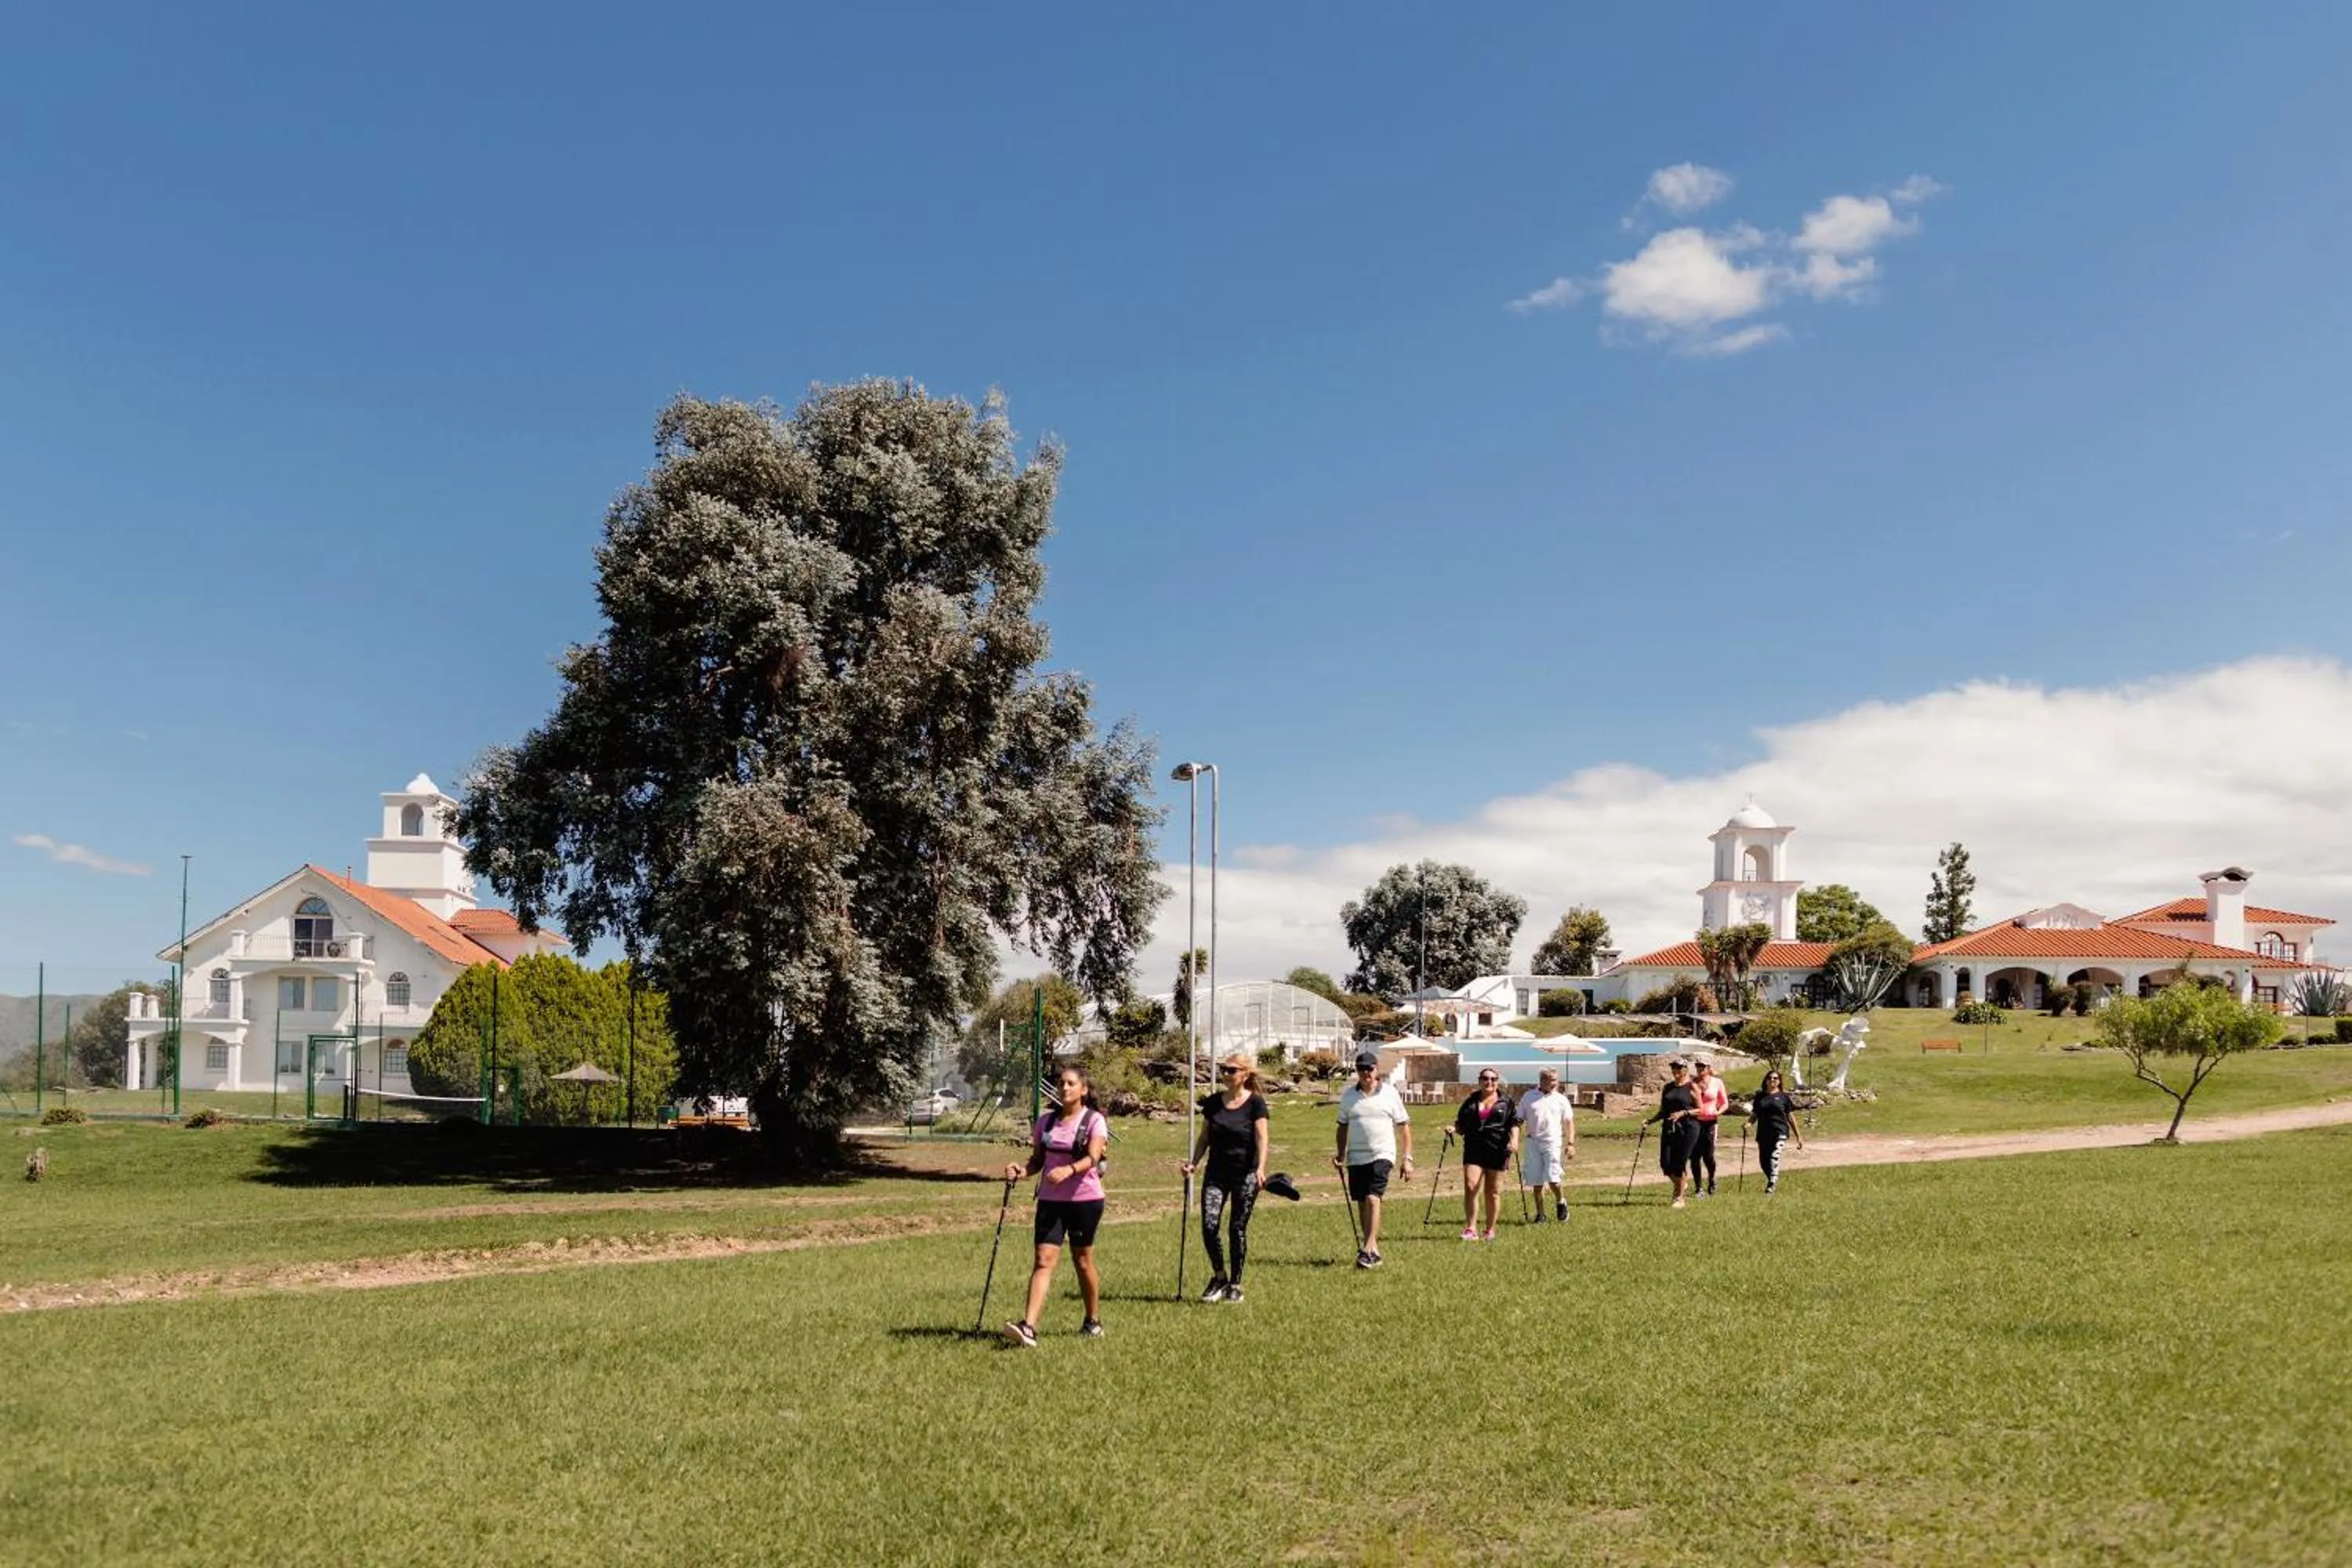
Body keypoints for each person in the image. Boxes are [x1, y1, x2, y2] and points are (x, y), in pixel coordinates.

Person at [1001, 1065, 1109, 1347]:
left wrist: (1069, 1171)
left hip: (1085, 1200)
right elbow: (1037, 1161)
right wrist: (1021, 1171)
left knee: (1082, 1262)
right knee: (1043, 1260)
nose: (1064, 1088)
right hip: (1050, 1200)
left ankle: (1092, 1321)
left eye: (1071, 1083)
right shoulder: (1045, 1123)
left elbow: (1093, 1158)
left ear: (1083, 1090)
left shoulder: (1094, 1121)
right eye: (1061, 1083)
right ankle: (1029, 1328)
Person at [1180, 1053, 1270, 1303]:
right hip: (1216, 1173)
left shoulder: (1256, 1104)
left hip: (1245, 1174)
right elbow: (1204, 1138)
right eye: (1223, 1069)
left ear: (1244, 1074)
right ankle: (1219, 1277)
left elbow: (1262, 1138)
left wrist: (1261, 1168)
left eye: (1231, 1070)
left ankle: (1235, 1284)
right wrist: (1193, 1163)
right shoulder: (1212, 1103)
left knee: (1237, 1228)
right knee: (1209, 1226)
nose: (1226, 1073)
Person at [1334, 1049, 1413, 1268]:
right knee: (1361, 1201)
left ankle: (1367, 1248)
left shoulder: (1389, 1093)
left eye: (1369, 1068)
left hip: (1383, 1153)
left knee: (1372, 1198)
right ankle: (1373, 1249)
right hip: (1356, 1156)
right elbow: (1342, 1127)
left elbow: (1404, 1127)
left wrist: (1408, 1158)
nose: (1365, 1073)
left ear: (1377, 1070)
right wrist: (1340, 1154)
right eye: (1361, 1069)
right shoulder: (1349, 1096)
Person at [1452, 1069, 1519, 1240]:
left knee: (1493, 1192)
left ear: (1498, 1081)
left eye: (1493, 1079)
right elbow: (1461, 1125)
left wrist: (1515, 1140)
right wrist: (1454, 1129)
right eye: (1485, 1079)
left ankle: (1490, 1229)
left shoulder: (1506, 1102)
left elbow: (1514, 1123)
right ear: (1480, 1081)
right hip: (1474, 1149)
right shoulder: (1471, 1102)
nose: (1489, 1082)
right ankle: (1471, 1228)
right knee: (1471, 1186)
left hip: (1497, 1149)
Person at [1515, 1068, 1576, 1221]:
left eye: (1556, 1080)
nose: (1555, 1083)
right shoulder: (1529, 1097)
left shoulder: (1561, 1099)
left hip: (1553, 1142)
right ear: (1542, 1081)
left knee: (1553, 1179)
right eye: (1551, 1080)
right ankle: (1541, 1215)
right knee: (1536, 1183)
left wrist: (1570, 1143)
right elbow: (1519, 1119)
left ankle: (1561, 1202)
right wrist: (1514, 1139)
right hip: (1533, 1142)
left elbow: (1569, 1122)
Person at [1646, 1058, 1701, 1210]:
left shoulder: (1692, 1087)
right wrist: (1651, 1121)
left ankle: (1679, 1198)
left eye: (1679, 1068)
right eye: (1674, 1068)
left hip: (1689, 1128)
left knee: (1679, 1163)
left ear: (1686, 1070)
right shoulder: (1668, 1088)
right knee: (1665, 1163)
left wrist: (1683, 1113)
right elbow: (1664, 1110)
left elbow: (1700, 1109)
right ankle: (1681, 1183)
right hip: (1670, 1128)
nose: (1676, 1071)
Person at [1747, 1067, 1804, 1194]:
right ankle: (1771, 1180)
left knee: (1775, 1156)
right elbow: (1755, 1114)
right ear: (1766, 1081)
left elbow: (1790, 1116)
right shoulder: (1760, 1097)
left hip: (1780, 1131)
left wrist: (1798, 1136)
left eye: (1775, 1078)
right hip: (1763, 1133)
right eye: (1770, 1078)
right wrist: (1748, 1124)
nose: (1772, 1080)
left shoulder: (1783, 1097)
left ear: (1779, 1081)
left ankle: (1771, 1184)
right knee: (1764, 1162)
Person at [1690, 1058, 1730, 1198]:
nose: (1700, 1069)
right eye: (1697, 1066)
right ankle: (1698, 1188)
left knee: (1708, 1156)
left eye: (1703, 1066)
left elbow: (1725, 1103)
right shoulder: (1692, 1083)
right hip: (1694, 1122)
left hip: (1710, 1122)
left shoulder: (1717, 1082)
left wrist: (1718, 1112)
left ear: (1708, 1067)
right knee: (1694, 1156)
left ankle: (1712, 1179)